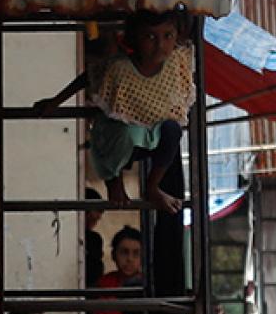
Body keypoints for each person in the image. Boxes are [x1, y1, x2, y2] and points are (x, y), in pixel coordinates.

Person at [40, 14, 197, 205]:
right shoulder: (119, 67)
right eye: (150, 37)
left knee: (173, 130)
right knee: (122, 131)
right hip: (117, 139)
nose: (160, 45)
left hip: (151, 136)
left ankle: (152, 186)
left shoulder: (176, 63)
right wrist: (55, 102)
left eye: (168, 36)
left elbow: (190, 27)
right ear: (135, 38)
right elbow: (88, 77)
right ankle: (114, 182)